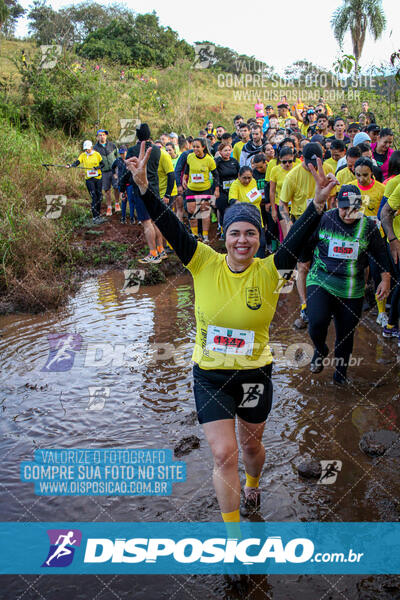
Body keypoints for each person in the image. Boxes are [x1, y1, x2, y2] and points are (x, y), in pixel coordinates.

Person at [125, 141, 337, 522]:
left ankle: (253, 484)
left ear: (259, 239)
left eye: (250, 234)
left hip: (255, 373)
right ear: (224, 236)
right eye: (235, 233)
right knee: (225, 454)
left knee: (251, 448)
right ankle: (234, 536)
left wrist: (318, 202)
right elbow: (171, 226)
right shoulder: (202, 261)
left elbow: (298, 235)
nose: (243, 240)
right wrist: (144, 188)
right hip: (210, 375)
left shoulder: (272, 269)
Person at [302, 184, 390, 384]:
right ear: (336, 203)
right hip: (321, 280)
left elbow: (380, 253)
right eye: (344, 208)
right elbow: (306, 243)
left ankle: (340, 376)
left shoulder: (368, 226)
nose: (349, 213)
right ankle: (321, 349)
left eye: (354, 208)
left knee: (345, 333)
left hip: (352, 288)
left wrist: (385, 279)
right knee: (316, 321)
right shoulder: (325, 219)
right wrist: (300, 266)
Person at [280, 143, 335, 328]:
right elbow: (282, 204)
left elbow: (333, 197)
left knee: (325, 264)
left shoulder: (327, 169)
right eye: (309, 162)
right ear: (301, 158)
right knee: (303, 266)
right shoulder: (292, 176)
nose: (313, 166)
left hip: (324, 222)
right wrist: (288, 224)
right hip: (302, 223)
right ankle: (305, 305)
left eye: (316, 162)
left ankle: (327, 302)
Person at [120, 123, 164, 263]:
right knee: (156, 220)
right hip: (155, 188)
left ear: (137, 135)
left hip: (140, 189)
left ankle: (153, 253)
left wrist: (122, 188)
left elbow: (128, 171)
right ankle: (161, 250)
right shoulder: (157, 150)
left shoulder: (133, 150)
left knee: (146, 222)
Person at [183, 137, 219, 243]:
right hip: (191, 189)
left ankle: (205, 236)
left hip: (205, 189)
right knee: (191, 212)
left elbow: (216, 175)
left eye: (197, 147)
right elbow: (187, 169)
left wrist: (216, 189)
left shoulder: (209, 159)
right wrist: (184, 179)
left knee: (204, 213)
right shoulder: (190, 156)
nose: (195, 149)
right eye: (193, 147)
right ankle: (195, 236)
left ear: (203, 147)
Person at [67, 140, 105, 224]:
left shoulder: (97, 154)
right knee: (94, 196)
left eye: (88, 149)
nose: (86, 150)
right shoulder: (83, 155)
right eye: (85, 149)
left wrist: (97, 167)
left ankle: (98, 215)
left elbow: (103, 164)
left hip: (98, 178)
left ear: (91, 147)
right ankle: (95, 217)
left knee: (99, 197)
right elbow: (77, 162)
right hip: (89, 179)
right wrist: (71, 165)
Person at [269, 147, 296, 239]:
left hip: (295, 205)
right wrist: (273, 209)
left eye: (290, 161)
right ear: (280, 159)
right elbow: (272, 191)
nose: (287, 164)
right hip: (281, 205)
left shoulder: (297, 167)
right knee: (286, 235)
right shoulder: (275, 170)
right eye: (284, 162)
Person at [215, 143, 240, 235]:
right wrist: (216, 189)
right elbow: (214, 176)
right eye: (225, 150)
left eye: (229, 150)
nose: (227, 152)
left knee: (234, 210)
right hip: (222, 190)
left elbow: (239, 175)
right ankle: (223, 231)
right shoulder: (217, 162)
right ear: (220, 152)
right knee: (223, 211)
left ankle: (234, 230)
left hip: (233, 190)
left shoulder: (234, 161)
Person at [93, 129, 120, 216]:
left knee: (116, 187)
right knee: (107, 190)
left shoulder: (112, 145)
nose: (102, 136)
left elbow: (118, 156)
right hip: (104, 172)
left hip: (114, 170)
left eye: (104, 135)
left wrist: (119, 166)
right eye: (100, 135)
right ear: (97, 137)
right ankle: (109, 207)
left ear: (106, 136)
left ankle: (117, 203)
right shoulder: (95, 148)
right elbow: (94, 160)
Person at [111, 147, 132, 224]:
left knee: (131, 201)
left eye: (123, 153)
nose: (122, 154)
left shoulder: (130, 159)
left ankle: (132, 217)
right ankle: (123, 217)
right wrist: (114, 175)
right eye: (121, 153)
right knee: (123, 200)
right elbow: (112, 167)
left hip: (129, 183)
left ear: (127, 152)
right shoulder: (118, 160)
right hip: (121, 182)